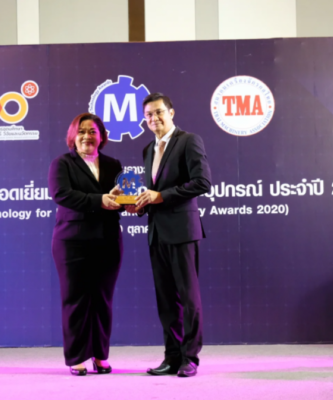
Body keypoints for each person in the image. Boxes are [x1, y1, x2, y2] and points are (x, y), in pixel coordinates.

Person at [127, 93, 212, 377]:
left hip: (183, 232)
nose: (154, 118)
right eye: (148, 115)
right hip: (156, 234)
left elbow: (202, 182)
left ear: (171, 113)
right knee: (166, 301)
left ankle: (190, 358)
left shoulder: (189, 141)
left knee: (189, 299)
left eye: (159, 112)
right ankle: (172, 357)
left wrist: (160, 196)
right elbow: (153, 192)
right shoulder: (147, 149)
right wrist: (140, 205)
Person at [48, 113, 123, 376]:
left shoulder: (114, 165)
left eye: (92, 131)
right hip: (72, 242)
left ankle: (100, 355)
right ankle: (77, 356)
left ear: (101, 136)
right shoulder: (62, 164)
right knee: (76, 299)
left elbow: (119, 199)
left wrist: (130, 203)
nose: (87, 136)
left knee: (103, 300)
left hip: (107, 240)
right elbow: (62, 195)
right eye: (81, 131)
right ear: (73, 135)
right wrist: (100, 200)